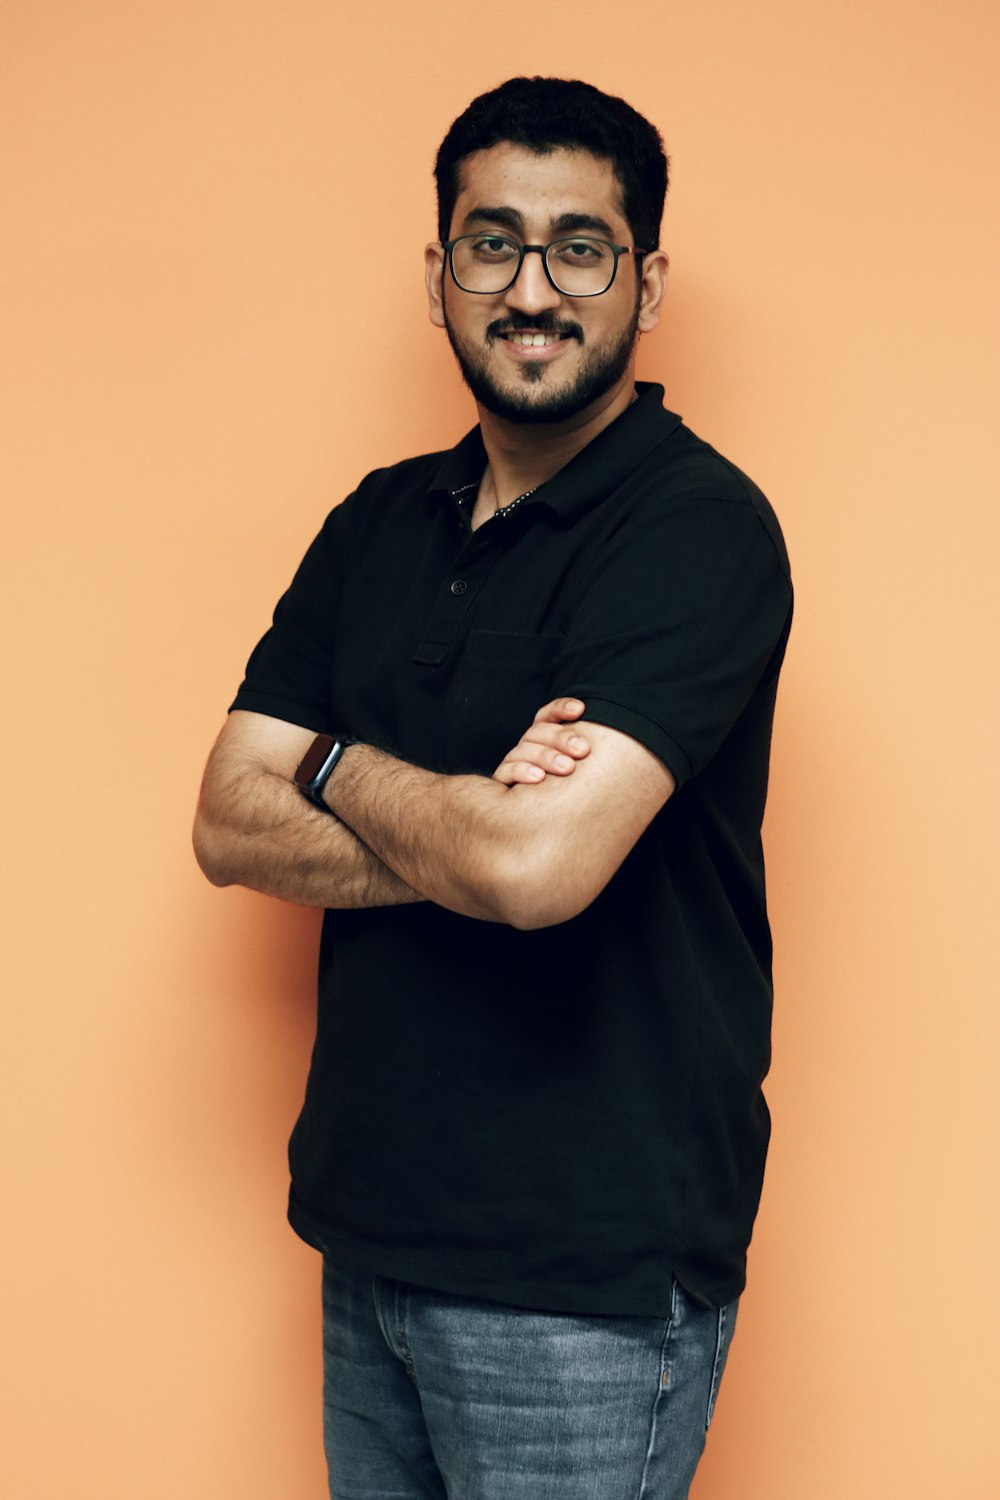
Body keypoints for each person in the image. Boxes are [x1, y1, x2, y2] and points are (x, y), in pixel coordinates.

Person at [194, 75, 792, 1500]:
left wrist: (333, 763)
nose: (533, 288)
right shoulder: (378, 518)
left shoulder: (697, 531)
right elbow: (227, 816)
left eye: (579, 247)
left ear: (646, 284)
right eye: (492, 243)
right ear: (439, 274)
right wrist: (485, 826)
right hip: (370, 1235)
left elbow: (537, 872)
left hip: (581, 1281)